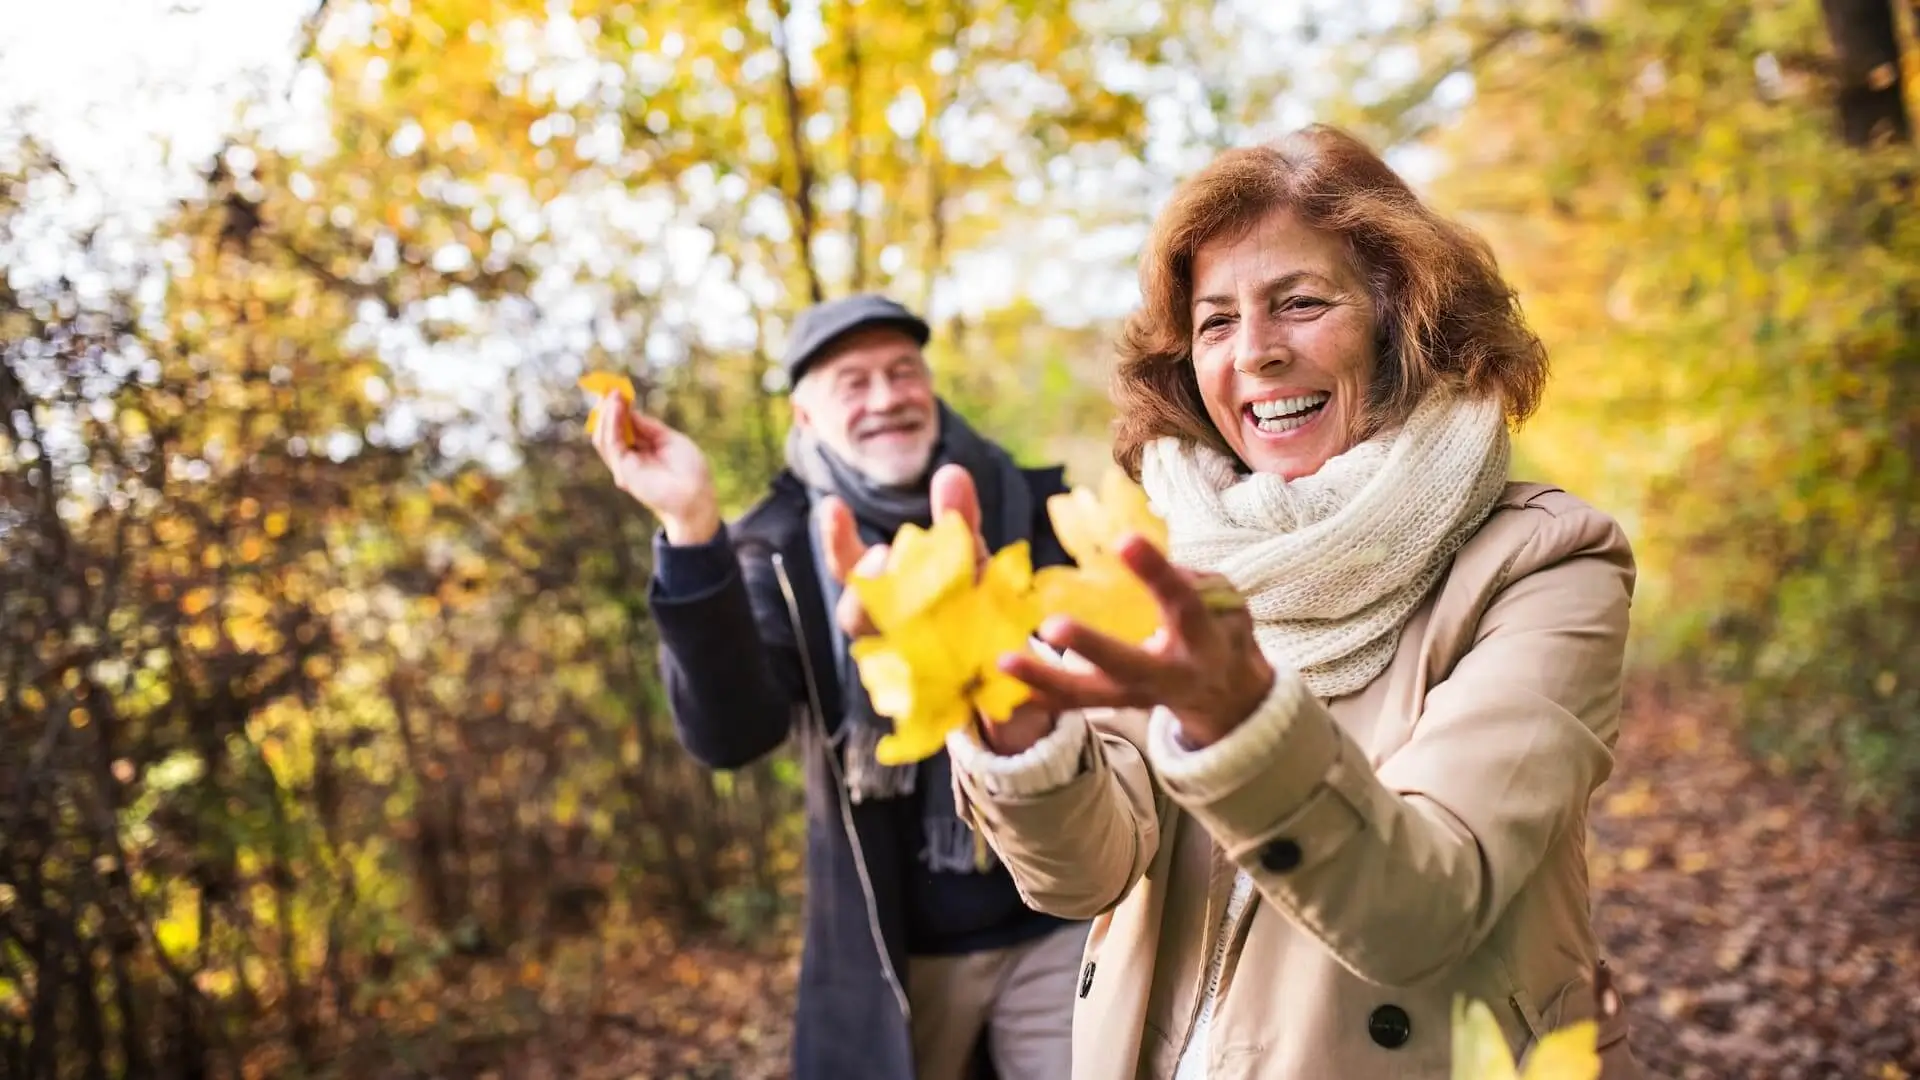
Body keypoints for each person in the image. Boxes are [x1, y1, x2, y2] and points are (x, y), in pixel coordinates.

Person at [828, 127, 1645, 1078]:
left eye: (1299, 304)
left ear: (1406, 321)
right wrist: (1012, 722)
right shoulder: (1163, 548)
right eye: (1216, 322)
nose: (1254, 354)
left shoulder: (1548, 559)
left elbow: (1428, 907)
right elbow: (1084, 874)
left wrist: (1240, 720)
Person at [590, 294, 1086, 1080]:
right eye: (852, 383)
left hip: (1065, 922)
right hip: (897, 953)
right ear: (806, 414)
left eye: (901, 372)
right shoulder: (778, 549)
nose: (886, 397)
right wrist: (691, 524)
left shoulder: (1029, 502)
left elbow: (1098, 687)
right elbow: (729, 734)